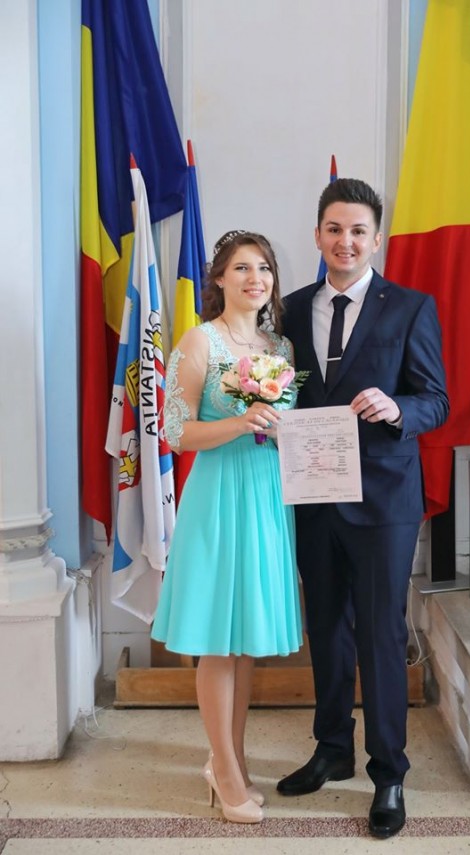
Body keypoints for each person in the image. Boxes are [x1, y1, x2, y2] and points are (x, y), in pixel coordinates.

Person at [278, 178, 449, 839]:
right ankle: (332, 748)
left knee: (379, 632)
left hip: (383, 500)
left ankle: (389, 771)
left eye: (357, 230)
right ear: (317, 235)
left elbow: (436, 400)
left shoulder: (410, 307)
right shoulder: (290, 311)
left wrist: (398, 407)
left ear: (376, 239)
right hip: (313, 497)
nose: (344, 241)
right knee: (325, 625)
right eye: (333, 229)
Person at [152, 230, 303, 825]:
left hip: (266, 496)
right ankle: (227, 772)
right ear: (219, 278)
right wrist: (241, 422)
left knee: (245, 643)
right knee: (219, 638)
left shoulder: (280, 346)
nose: (254, 278)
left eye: (263, 268)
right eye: (241, 268)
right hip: (218, 494)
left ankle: (229, 763)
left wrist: (288, 431)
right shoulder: (200, 341)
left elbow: (287, 425)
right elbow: (175, 432)